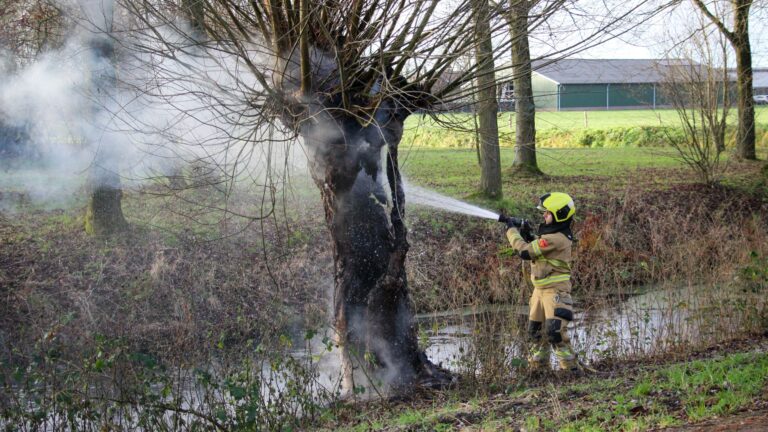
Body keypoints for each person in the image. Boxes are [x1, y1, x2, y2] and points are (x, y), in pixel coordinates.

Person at [501, 192, 580, 374]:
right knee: (535, 334)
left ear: (559, 214)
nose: (544, 216)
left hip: (555, 293)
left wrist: (511, 230)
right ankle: (538, 372)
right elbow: (539, 246)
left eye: (547, 213)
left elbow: (525, 252)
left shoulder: (557, 238)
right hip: (539, 292)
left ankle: (571, 372)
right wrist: (529, 236)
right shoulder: (553, 235)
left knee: (555, 334)